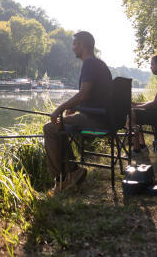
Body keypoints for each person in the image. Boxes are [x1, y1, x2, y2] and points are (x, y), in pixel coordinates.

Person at [43, 31, 112, 193]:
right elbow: (94, 96)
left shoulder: (89, 64)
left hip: (95, 119)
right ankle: (73, 171)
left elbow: (85, 93)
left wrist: (60, 108)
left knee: (50, 128)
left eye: (74, 44)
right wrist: (72, 107)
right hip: (103, 116)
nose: (72, 48)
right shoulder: (98, 64)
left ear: (82, 45)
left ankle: (61, 179)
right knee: (59, 127)